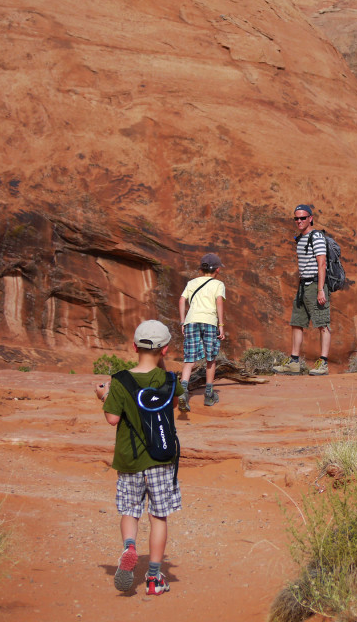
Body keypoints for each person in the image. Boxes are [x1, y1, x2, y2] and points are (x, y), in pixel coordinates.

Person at [95, 320, 183, 596]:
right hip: (161, 458)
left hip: (130, 460)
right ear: (165, 350)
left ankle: (130, 546)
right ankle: (155, 579)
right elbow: (175, 405)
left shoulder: (120, 381)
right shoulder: (169, 381)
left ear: (134, 346)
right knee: (158, 516)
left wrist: (103, 396)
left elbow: (112, 419)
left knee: (130, 511)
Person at [274, 204, 330, 376]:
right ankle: (294, 362)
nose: (299, 221)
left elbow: (322, 263)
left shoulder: (317, 237)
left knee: (322, 324)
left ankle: (323, 363)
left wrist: (320, 290)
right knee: (297, 323)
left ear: (310, 218)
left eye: (302, 218)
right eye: (296, 218)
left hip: (315, 285)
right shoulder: (300, 238)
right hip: (302, 286)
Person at [178, 252, 227, 409]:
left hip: (191, 321)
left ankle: (183, 391)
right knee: (210, 358)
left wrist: (182, 322)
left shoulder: (192, 283)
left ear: (201, 269)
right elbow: (219, 302)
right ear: (217, 270)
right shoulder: (218, 285)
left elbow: (181, 300)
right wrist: (221, 325)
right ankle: (209, 394)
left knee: (189, 359)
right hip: (209, 322)